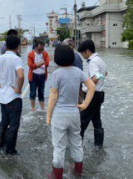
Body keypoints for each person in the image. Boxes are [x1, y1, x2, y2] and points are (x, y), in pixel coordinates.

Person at [47, 45, 95, 179]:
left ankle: (56, 175)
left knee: (59, 146)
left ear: (57, 58)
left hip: (60, 115)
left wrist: (48, 115)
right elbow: (91, 86)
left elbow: (53, 97)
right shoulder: (78, 72)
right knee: (76, 142)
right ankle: (78, 172)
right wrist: (85, 104)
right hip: (74, 114)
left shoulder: (57, 73)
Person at [0, 35, 24, 155]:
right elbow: (21, 75)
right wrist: (18, 89)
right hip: (13, 97)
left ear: (6, 45)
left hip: (2, 97)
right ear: (18, 47)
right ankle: (10, 150)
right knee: (13, 125)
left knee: (4, 122)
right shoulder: (17, 59)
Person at [77, 39, 107, 149]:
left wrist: (89, 86)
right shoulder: (100, 60)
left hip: (93, 95)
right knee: (96, 120)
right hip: (99, 94)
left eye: (82, 53)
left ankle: (76, 147)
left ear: (87, 51)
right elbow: (104, 74)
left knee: (82, 121)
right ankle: (98, 146)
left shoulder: (93, 62)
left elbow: (96, 77)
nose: (82, 55)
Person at [27, 41, 50, 112]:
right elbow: (31, 66)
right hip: (33, 76)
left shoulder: (45, 53)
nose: (40, 51)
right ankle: (33, 108)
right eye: (39, 49)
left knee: (41, 92)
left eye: (42, 49)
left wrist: (37, 64)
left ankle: (42, 108)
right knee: (33, 92)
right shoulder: (30, 54)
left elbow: (47, 64)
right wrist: (41, 63)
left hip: (42, 75)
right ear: (35, 47)